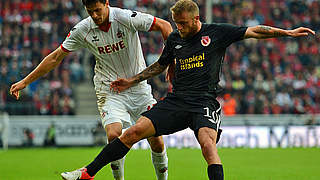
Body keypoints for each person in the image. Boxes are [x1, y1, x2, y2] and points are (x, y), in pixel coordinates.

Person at [51, 0, 317, 179]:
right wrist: (132, 81)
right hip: (176, 101)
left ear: (196, 19)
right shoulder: (176, 39)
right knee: (131, 133)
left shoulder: (217, 33)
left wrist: (288, 33)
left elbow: (255, 31)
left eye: (182, 23)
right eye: (175, 23)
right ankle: (86, 173)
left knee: (207, 144)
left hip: (203, 103)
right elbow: (159, 66)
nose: (178, 28)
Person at [9, 0, 172, 180]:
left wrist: (170, 64)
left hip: (138, 88)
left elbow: (165, 26)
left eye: (97, 10)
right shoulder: (82, 29)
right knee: (113, 134)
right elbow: (55, 57)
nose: (94, 15)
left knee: (156, 140)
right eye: (89, 11)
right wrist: (25, 81)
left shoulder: (125, 18)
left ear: (106, 3)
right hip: (110, 89)